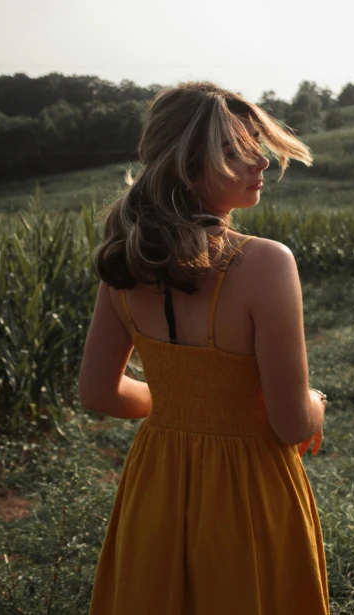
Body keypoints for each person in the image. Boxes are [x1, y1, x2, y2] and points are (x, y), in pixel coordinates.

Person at [79, 81, 330, 614]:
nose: (260, 161)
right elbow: (292, 425)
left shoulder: (126, 261)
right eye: (237, 151)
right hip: (249, 493)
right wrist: (318, 403)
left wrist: (177, 404)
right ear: (189, 166)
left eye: (257, 144)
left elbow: (98, 392)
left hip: (157, 483)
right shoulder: (266, 263)